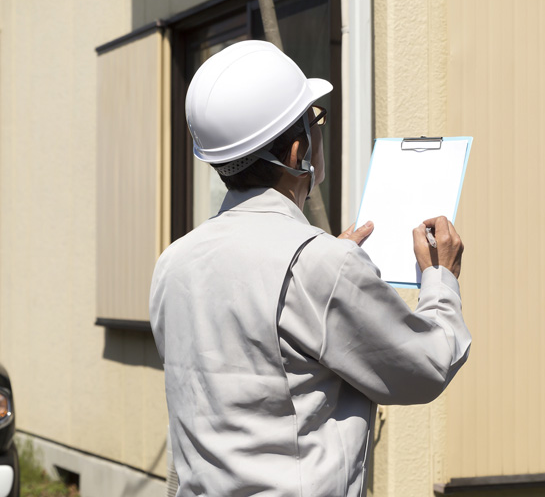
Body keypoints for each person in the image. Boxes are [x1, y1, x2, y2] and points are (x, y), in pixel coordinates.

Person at [149, 40, 471, 497]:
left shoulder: (173, 262)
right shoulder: (317, 266)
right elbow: (427, 365)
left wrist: (326, 268)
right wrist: (442, 278)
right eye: (314, 119)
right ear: (298, 149)